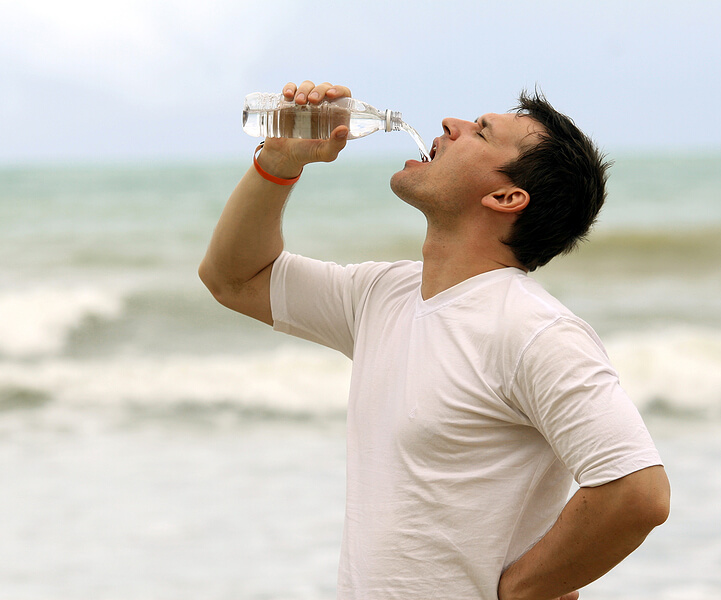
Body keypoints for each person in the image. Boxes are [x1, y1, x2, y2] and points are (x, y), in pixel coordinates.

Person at [199, 80, 670, 600]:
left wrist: (520, 590)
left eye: (481, 132)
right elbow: (234, 277)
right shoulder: (382, 294)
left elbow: (637, 492)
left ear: (506, 197)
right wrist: (280, 162)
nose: (451, 123)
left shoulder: (533, 330)